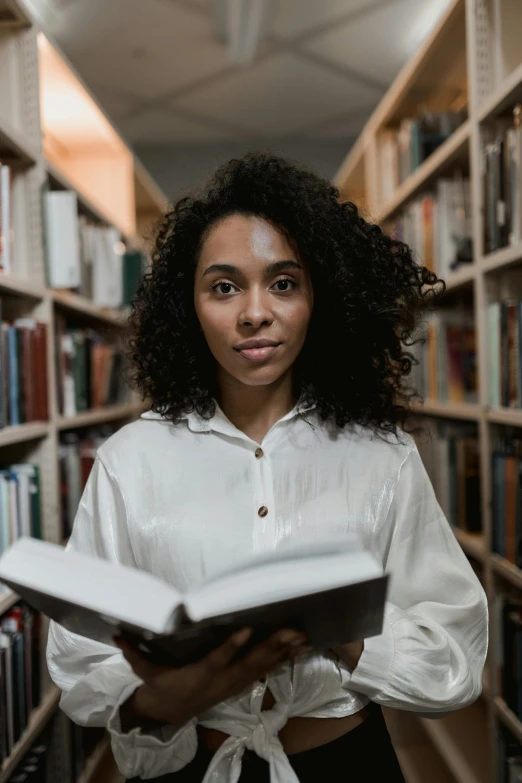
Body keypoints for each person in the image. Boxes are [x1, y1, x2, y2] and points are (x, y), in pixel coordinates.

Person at [47, 153, 488, 783]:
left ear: (320, 296)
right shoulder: (128, 461)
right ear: (188, 306)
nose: (255, 313)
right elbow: (80, 659)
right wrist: (163, 697)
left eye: (284, 282)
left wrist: (343, 631)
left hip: (348, 764)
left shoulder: (382, 457)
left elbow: (456, 658)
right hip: (190, 768)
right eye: (224, 286)